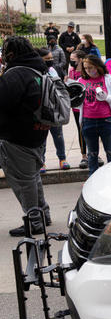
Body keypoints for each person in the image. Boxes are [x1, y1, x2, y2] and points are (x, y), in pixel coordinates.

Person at [0, 36, 53, 236]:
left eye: (5, 53)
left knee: (23, 181)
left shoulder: (15, 74)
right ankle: (42, 214)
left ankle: (34, 220)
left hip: (17, 136)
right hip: (37, 132)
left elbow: (4, 101)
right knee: (32, 177)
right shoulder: (37, 69)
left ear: (12, 54)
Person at [78, 54, 111, 175]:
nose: (88, 71)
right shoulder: (80, 81)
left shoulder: (109, 79)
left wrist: (106, 97)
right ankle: (92, 178)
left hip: (106, 120)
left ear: (98, 66)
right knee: (92, 153)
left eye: (91, 67)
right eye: (86, 68)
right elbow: (77, 103)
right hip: (88, 121)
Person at [36, 48, 70, 173]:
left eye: (51, 58)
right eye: (47, 59)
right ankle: (41, 162)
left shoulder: (52, 70)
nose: (50, 61)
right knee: (41, 139)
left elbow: (59, 87)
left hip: (54, 109)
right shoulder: (36, 73)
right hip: (42, 110)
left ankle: (62, 158)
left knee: (58, 135)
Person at [66, 50, 91, 169]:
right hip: (77, 106)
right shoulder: (71, 71)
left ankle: (93, 152)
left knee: (91, 129)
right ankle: (84, 155)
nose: (71, 62)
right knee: (81, 130)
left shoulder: (88, 70)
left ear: (81, 60)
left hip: (88, 105)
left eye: (73, 59)